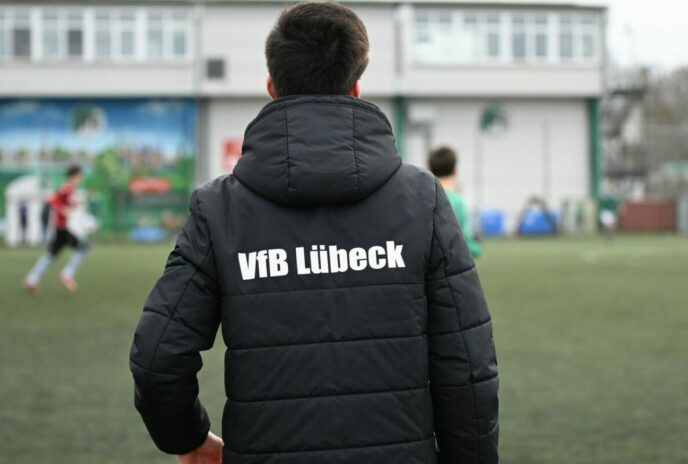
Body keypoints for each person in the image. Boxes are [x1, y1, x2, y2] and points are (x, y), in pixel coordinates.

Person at [130, 3, 498, 464]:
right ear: (356, 88)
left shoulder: (217, 208)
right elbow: (467, 363)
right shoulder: (422, 198)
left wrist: (188, 438)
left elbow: (159, 357)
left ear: (272, 88)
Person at [23, 165, 89, 293]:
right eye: (80, 176)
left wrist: (74, 206)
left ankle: (31, 280)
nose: (81, 179)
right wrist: (63, 210)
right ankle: (67, 274)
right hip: (63, 228)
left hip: (63, 229)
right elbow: (52, 200)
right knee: (83, 249)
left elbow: (64, 202)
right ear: (74, 176)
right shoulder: (67, 188)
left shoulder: (70, 189)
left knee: (52, 255)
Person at [429, 146, 483, 258]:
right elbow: (466, 245)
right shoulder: (458, 203)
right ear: (455, 170)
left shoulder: (422, 198)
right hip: (450, 264)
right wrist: (477, 247)